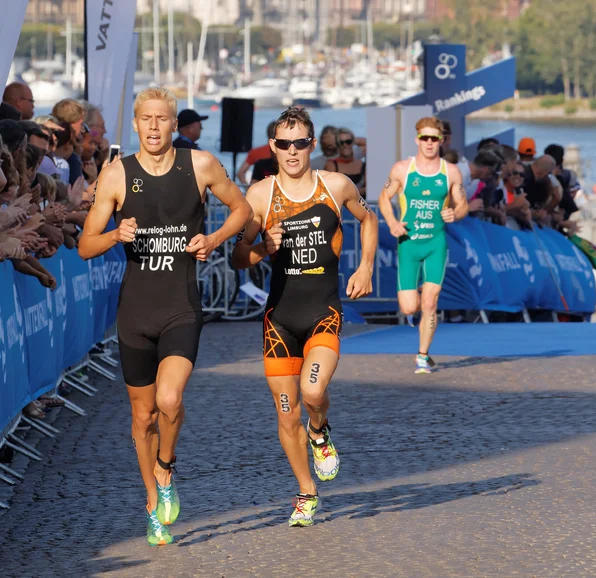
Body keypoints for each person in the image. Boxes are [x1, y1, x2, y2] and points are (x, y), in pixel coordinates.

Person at [78, 87, 252, 546]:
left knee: (170, 401)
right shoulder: (116, 175)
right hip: (135, 311)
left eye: (162, 119)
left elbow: (242, 208)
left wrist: (213, 241)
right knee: (142, 418)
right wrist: (116, 233)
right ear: (134, 125)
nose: (154, 127)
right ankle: (153, 503)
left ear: (174, 125)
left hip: (180, 305)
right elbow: (84, 245)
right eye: (146, 119)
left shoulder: (200, 165)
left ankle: (167, 467)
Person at [232, 107, 377, 527]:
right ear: (273, 146)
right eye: (283, 143)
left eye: (299, 143)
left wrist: (366, 266)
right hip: (279, 320)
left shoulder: (335, 185)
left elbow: (368, 220)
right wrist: (263, 248)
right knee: (285, 412)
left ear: (312, 145)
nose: (292, 151)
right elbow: (238, 258)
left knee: (312, 395)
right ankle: (305, 493)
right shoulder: (260, 195)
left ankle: (320, 430)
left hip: (323, 311)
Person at [378, 117, 468, 373]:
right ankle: (418, 323)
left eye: (435, 139)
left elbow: (462, 204)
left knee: (430, 302)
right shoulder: (402, 169)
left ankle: (422, 355)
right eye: (425, 138)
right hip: (408, 244)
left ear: (441, 141)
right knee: (409, 306)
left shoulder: (450, 172)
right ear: (417, 139)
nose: (429, 143)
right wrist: (392, 222)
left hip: (435, 244)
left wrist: (455, 213)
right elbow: (385, 197)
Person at [324, 127, 366, 198]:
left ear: (353, 143)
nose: (345, 145)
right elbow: (331, 190)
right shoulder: (331, 165)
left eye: (348, 142)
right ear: (337, 145)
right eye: (341, 142)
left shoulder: (362, 165)